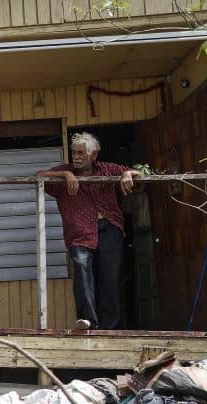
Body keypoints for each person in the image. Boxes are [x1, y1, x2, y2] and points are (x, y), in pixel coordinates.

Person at [37, 132, 140, 330]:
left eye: (81, 153)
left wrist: (127, 174)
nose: (76, 157)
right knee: (82, 268)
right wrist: (66, 175)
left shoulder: (107, 169)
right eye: (74, 152)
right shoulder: (66, 171)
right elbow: (39, 175)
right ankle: (88, 320)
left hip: (109, 229)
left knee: (110, 277)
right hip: (79, 233)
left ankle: (109, 326)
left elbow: (138, 172)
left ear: (94, 155)